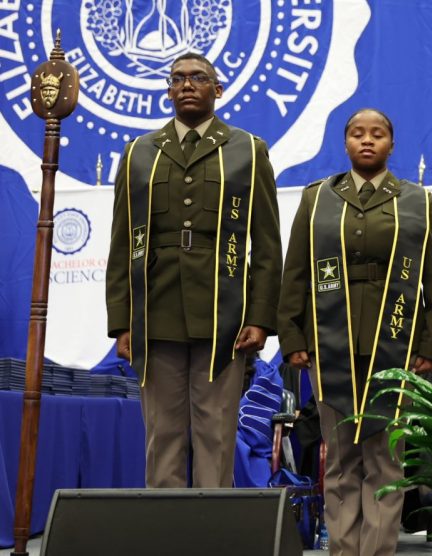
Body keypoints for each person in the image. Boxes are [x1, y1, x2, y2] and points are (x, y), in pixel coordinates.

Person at [278, 108, 432, 556]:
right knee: (338, 458)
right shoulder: (318, 199)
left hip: (396, 347)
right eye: (357, 134)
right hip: (329, 348)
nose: (367, 140)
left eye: (377, 134)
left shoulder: (416, 200)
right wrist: (293, 339)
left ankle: (375, 551)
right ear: (346, 142)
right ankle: (342, 550)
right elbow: (295, 273)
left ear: (392, 144)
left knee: (384, 459)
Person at [106, 52, 281, 488]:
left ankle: (211, 536)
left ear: (217, 90)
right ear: (167, 90)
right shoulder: (138, 153)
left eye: (198, 78)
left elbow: (267, 245)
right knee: (162, 434)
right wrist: (121, 321)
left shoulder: (248, 151)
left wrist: (259, 317)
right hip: (156, 311)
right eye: (178, 78)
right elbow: (121, 242)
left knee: (215, 433)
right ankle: (166, 539)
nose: (187, 84)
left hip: (224, 315)